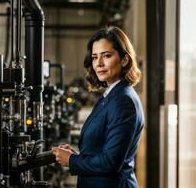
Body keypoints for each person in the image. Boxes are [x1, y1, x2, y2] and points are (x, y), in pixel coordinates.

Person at [52, 26, 144, 188]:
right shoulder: (111, 95)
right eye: (95, 57)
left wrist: (72, 160)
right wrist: (78, 156)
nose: (99, 63)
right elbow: (104, 149)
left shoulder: (123, 100)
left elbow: (110, 162)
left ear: (124, 59)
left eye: (106, 56)